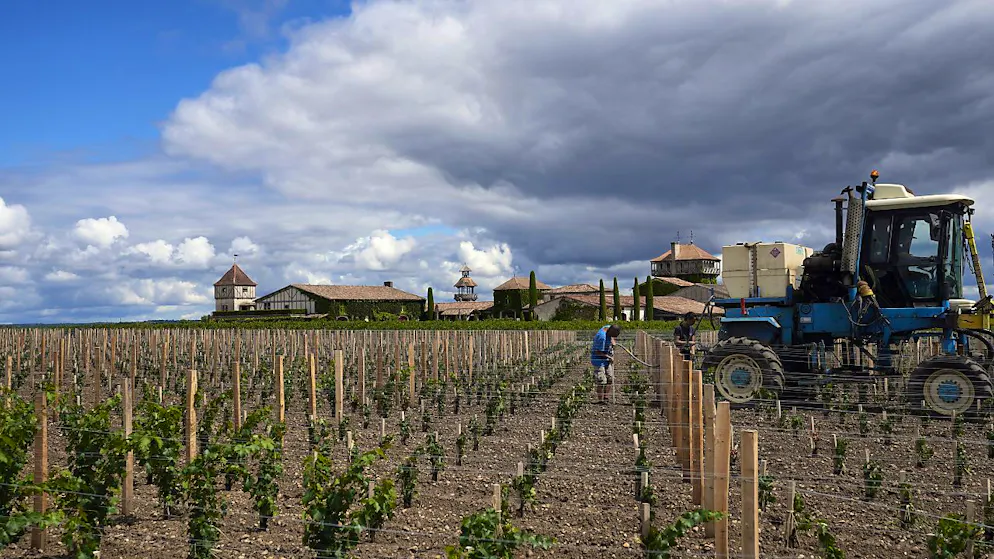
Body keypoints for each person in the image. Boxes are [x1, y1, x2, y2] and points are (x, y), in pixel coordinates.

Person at [591, 324, 621, 404]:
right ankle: (600, 401)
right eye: (613, 335)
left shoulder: (607, 327)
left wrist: (612, 340)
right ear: (610, 332)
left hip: (607, 359)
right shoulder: (602, 338)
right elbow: (597, 352)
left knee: (610, 378)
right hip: (598, 360)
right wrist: (609, 357)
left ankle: (606, 397)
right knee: (601, 381)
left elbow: (611, 333)